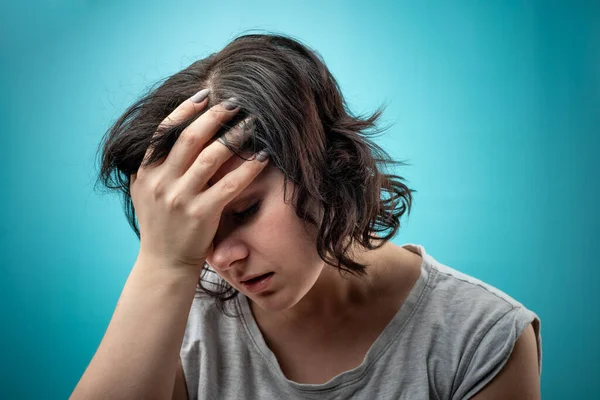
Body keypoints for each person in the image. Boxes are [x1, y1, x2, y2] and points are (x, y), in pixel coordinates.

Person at [71, 33, 542, 399]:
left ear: (325, 164)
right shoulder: (175, 320)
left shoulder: (479, 337)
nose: (223, 259)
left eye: (245, 209)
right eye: (197, 234)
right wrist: (164, 261)